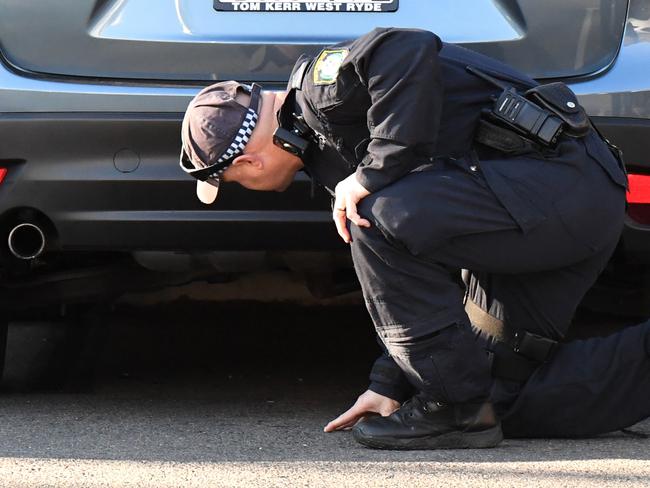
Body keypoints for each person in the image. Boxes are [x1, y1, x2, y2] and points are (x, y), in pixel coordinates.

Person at [179, 28, 650, 449]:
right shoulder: (323, 147)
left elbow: (406, 45)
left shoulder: (320, 90)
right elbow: (413, 280)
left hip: (562, 192)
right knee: (502, 398)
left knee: (370, 212)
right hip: (536, 209)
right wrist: (390, 383)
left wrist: (374, 172)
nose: (245, 185)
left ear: (246, 164)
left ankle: (455, 410)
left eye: (233, 181)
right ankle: (464, 406)